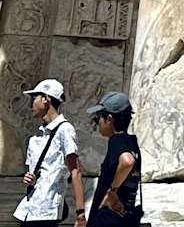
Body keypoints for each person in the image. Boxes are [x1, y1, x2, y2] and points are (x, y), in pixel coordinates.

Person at [15, 79, 87, 227]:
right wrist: (30, 178)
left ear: (45, 98)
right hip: (29, 209)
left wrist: (80, 214)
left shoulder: (65, 130)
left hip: (48, 211)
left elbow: (75, 170)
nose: (31, 103)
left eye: (34, 97)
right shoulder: (36, 137)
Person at [86, 94, 141, 226]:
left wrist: (112, 191)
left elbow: (127, 161)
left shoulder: (116, 140)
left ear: (109, 119)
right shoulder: (132, 143)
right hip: (124, 216)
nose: (97, 123)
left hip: (107, 217)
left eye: (98, 118)